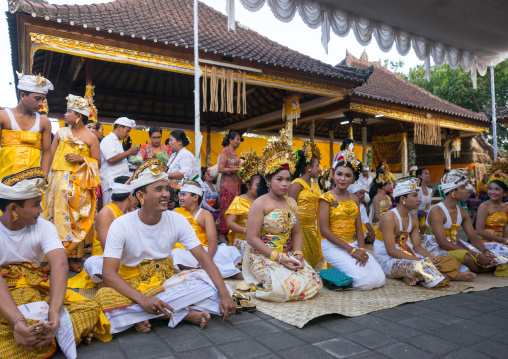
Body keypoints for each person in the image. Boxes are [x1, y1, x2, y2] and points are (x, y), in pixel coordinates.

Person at [96, 158, 236, 336]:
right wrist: (143, 299)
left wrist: (224, 293)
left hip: (168, 284)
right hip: (132, 287)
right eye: (158, 189)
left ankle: (142, 315)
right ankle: (182, 314)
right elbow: (108, 274)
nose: (166, 194)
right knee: (104, 298)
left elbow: (203, 259)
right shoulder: (121, 224)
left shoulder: (177, 219)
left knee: (215, 288)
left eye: (167, 189)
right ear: (140, 196)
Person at [0, 168, 101, 358]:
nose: (40, 210)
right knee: (26, 327)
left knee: (90, 309)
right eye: (36, 204)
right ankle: (58, 336)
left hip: (36, 291)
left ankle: (37, 337)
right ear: (13, 208)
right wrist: (18, 323)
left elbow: (60, 265)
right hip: (5, 301)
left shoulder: (44, 227)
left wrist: (54, 314)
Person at [242, 128, 322, 302]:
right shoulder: (260, 203)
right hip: (263, 256)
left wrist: (298, 253)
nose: (285, 184)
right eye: (279, 179)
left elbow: (296, 233)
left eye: (288, 179)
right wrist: (277, 258)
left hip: (287, 254)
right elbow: (251, 238)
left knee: (314, 283)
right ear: (269, 181)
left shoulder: (291, 203)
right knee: (284, 287)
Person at [374, 176, 473, 288]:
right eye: (415, 195)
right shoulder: (389, 217)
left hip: (409, 255)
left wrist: (431, 257)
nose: (419, 199)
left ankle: (414, 276)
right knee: (419, 265)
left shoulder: (413, 218)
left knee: (452, 261)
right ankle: (449, 276)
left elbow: (417, 247)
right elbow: (391, 251)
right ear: (403, 199)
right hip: (388, 259)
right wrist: (421, 260)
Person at [44, 95, 101, 273]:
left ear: (78, 116)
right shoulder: (61, 133)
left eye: (68, 111)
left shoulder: (91, 137)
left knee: (73, 222)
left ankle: (70, 259)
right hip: (56, 182)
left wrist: (81, 158)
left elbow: (97, 162)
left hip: (78, 185)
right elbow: (51, 156)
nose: (65, 114)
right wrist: (44, 178)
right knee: (54, 219)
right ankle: (51, 260)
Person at [319, 147, 385, 291]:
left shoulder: (355, 198)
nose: (343, 179)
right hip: (333, 247)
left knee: (380, 279)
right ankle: (331, 277)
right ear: (333, 175)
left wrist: (361, 249)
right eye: (339, 174)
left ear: (353, 178)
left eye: (348, 175)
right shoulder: (326, 198)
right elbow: (324, 231)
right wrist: (352, 251)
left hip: (354, 244)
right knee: (366, 283)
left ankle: (345, 274)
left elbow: (358, 227)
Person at [423, 169, 508, 276]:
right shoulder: (437, 210)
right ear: (452, 191)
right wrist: (476, 255)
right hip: (436, 248)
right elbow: (442, 243)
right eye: (463, 188)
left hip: (455, 244)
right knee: (468, 258)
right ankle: (482, 267)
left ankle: (481, 266)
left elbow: (473, 237)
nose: (467, 191)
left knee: (491, 257)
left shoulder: (462, 211)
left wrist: (486, 252)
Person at [67, 176, 138, 289]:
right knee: (92, 263)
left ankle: (118, 282)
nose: (138, 199)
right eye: (137, 195)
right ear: (130, 196)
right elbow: (107, 249)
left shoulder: (129, 212)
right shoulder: (106, 213)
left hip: (128, 258)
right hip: (111, 260)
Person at [172, 181, 242, 278]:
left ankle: (202, 269)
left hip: (203, 251)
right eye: (180, 195)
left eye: (184, 195)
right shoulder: (175, 212)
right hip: (183, 250)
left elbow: (213, 241)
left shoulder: (205, 214)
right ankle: (207, 270)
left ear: (195, 197)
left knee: (228, 251)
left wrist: (206, 260)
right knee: (176, 254)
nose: (181, 198)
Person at [0, 73, 53, 181]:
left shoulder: (44, 122)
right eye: (37, 99)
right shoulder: (3, 117)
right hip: (3, 180)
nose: (40, 103)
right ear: (22, 95)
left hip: (32, 182)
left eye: (42, 100)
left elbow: (47, 153)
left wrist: (43, 178)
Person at [289, 140, 322, 268]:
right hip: (299, 226)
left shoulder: (314, 184)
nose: (319, 169)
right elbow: (290, 206)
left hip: (311, 226)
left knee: (313, 256)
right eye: (317, 166)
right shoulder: (297, 184)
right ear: (309, 167)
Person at [475, 160, 508, 274]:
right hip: (485, 242)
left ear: (505, 193)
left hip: (500, 241)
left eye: (497, 189)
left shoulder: (506, 207)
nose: (492, 192)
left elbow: (503, 229)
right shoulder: (484, 206)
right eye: (490, 188)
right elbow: (479, 231)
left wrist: (506, 240)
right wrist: (502, 241)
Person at [225, 150, 261, 256]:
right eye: (257, 185)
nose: (260, 188)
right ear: (248, 185)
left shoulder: (263, 200)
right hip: (243, 240)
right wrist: (246, 231)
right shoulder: (239, 200)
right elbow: (230, 223)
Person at [100, 117, 138, 205]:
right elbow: (111, 159)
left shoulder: (117, 141)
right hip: (111, 184)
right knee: (111, 211)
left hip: (119, 184)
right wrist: (129, 152)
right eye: (127, 131)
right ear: (120, 127)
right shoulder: (108, 140)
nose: (128, 134)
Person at [166, 130, 201, 210]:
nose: (169, 142)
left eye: (171, 140)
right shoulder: (173, 155)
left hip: (190, 193)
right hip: (178, 193)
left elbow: (184, 173)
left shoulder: (186, 154)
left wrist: (165, 175)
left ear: (179, 142)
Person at [218, 131, 243, 244]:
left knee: (233, 209)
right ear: (230, 140)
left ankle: (231, 232)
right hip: (226, 186)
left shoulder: (235, 152)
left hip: (235, 185)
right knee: (226, 209)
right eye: (237, 139)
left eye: (239, 139)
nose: (239, 142)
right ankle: (222, 235)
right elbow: (220, 169)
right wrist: (236, 169)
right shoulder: (225, 151)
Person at [370, 166, 394, 241]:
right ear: (383, 186)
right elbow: (377, 216)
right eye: (389, 184)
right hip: (379, 224)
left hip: (388, 222)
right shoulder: (377, 198)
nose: (391, 186)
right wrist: (388, 221)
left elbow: (391, 212)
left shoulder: (388, 197)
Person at [415, 167, 434, 235]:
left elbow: (428, 208)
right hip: (413, 217)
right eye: (426, 173)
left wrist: (426, 221)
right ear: (419, 176)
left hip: (423, 218)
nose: (428, 175)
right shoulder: (416, 189)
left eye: (428, 173)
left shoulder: (429, 190)